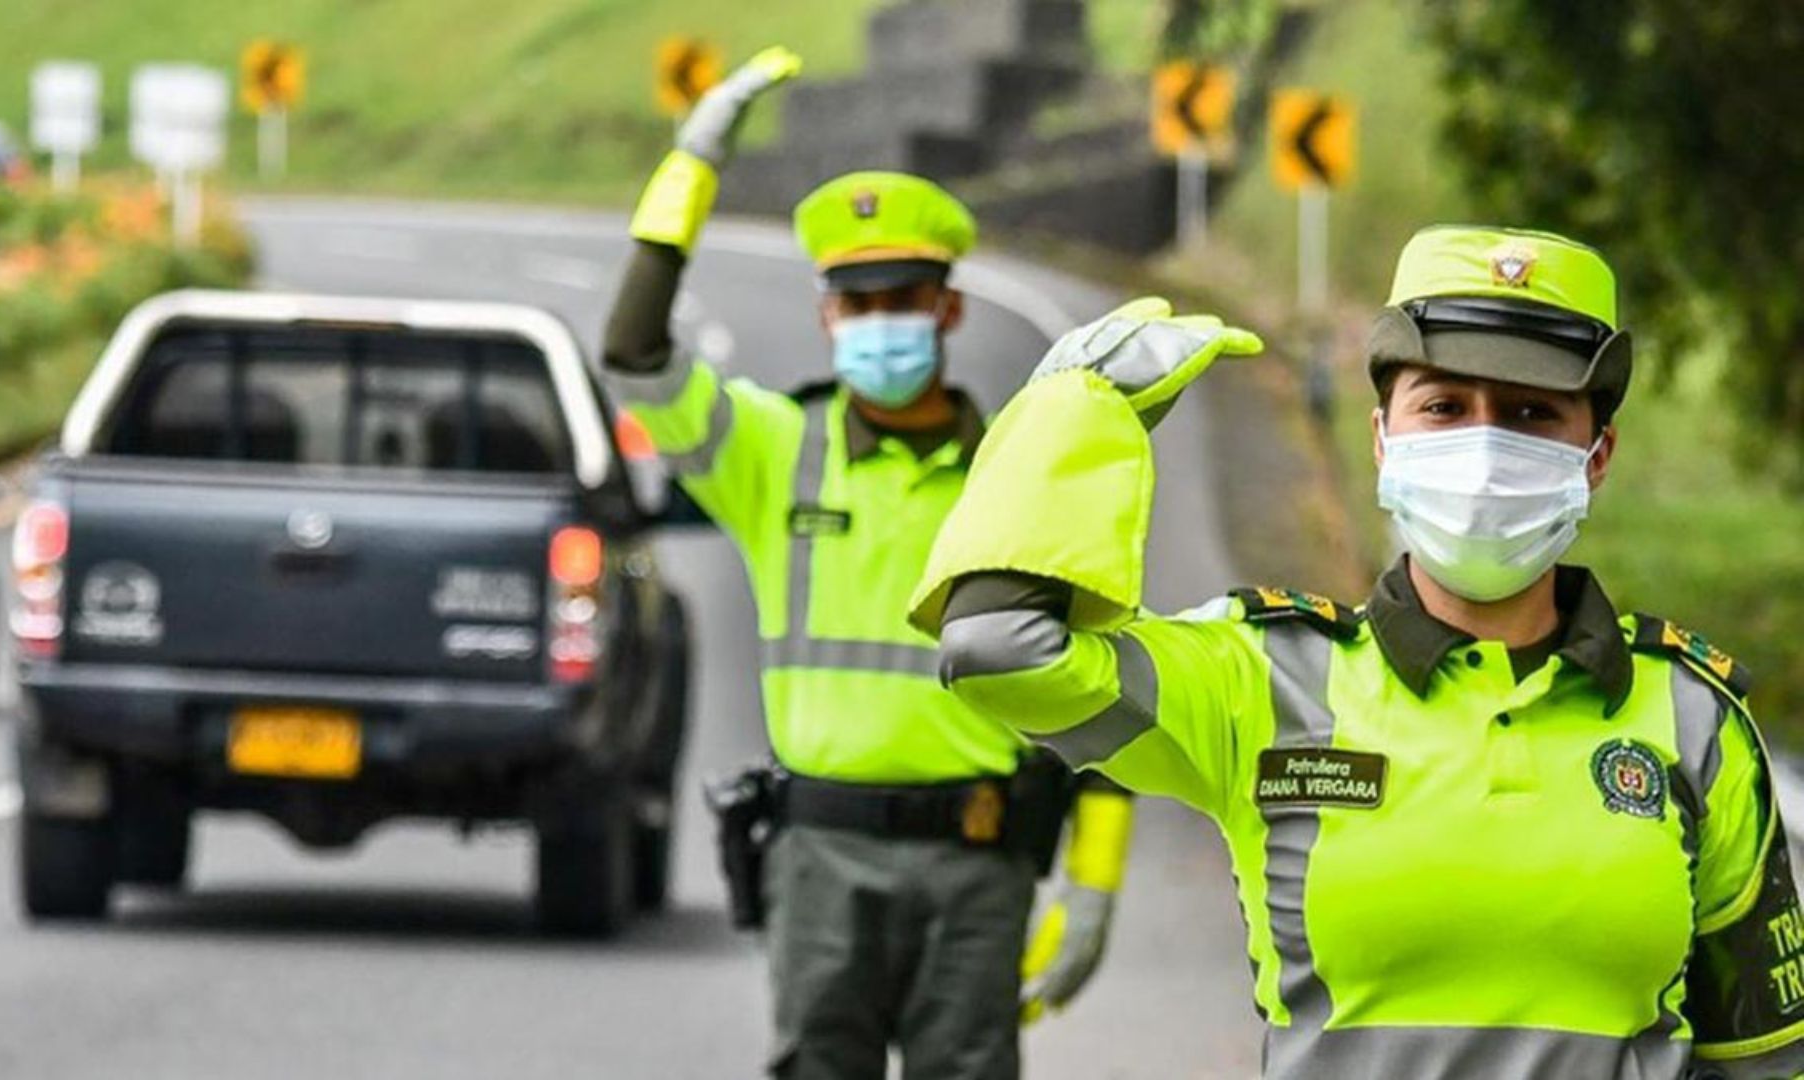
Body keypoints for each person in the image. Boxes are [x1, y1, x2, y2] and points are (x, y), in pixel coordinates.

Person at [908, 225, 1804, 1079]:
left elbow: (1767, 1058)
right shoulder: (1268, 679)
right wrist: (1073, 414)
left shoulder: (1693, 720)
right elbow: (999, 649)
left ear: (1596, 455)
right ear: (1381, 442)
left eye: (1533, 413)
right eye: (1444, 407)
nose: (1485, 447)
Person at [601, 48, 1135, 1080]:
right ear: (824, 316)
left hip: (980, 862)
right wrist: (689, 173)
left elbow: (1107, 701)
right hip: (820, 860)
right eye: (857, 303)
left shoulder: (1023, 477)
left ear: (949, 310)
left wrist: (1096, 885)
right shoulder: (770, 450)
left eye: (903, 298)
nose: (879, 321)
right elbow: (632, 353)